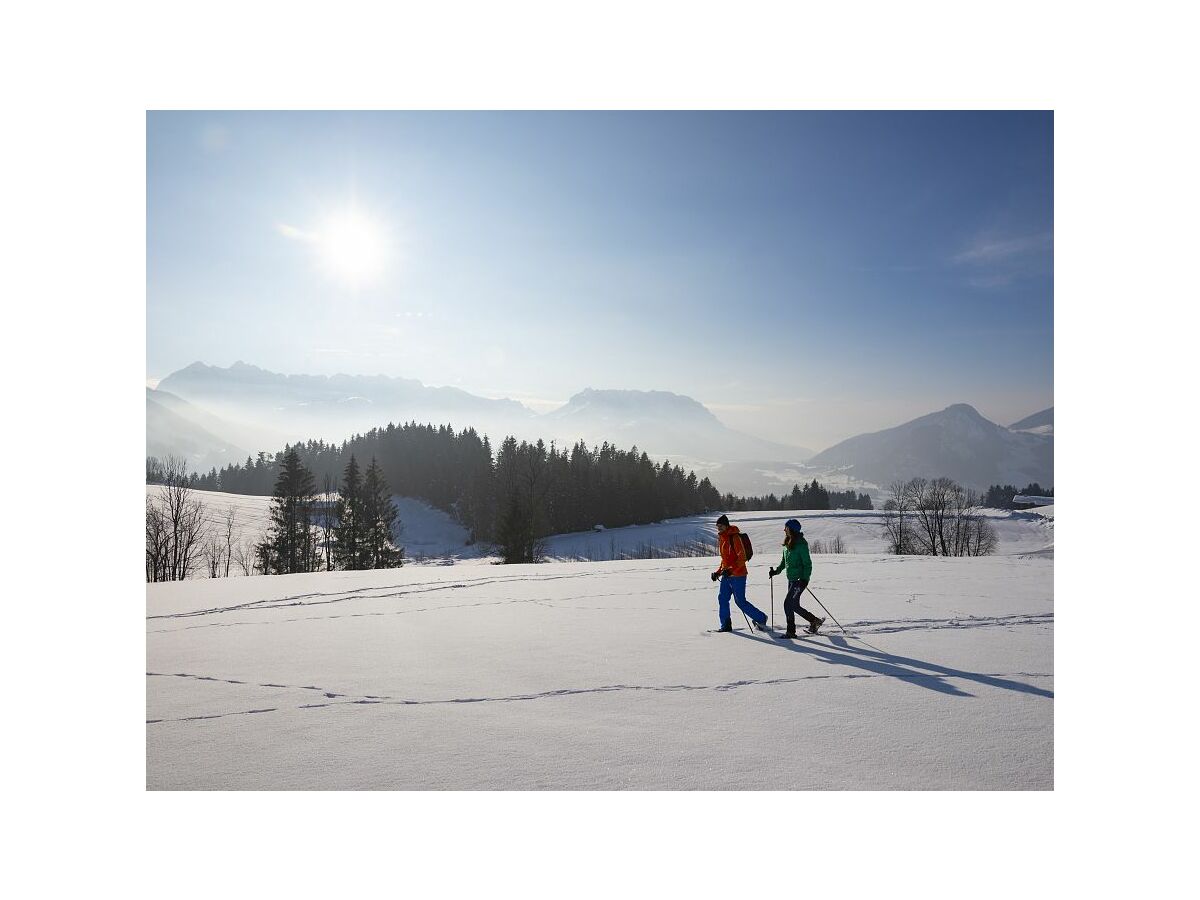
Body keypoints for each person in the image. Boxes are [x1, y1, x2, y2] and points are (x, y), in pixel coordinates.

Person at [711, 514, 770, 632]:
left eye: (721, 526)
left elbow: (742, 557)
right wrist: (718, 572)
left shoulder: (735, 537)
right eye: (718, 527)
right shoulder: (722, 538)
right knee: (722, 599)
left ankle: (761, 618)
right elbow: (725, 560)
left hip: (738, 575)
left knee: (740, 602)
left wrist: (731, 570)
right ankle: (726, 625)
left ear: (726, 526)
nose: (719, 529)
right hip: (727, 575)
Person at [768, 518, 824, 638]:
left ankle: (791, 631)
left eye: (786, 528)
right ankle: (815, 621)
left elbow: (807, 564)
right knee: (794, 605)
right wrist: (775, 572)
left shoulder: (801, 544)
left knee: (787, 604)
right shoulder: (787, 543)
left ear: (792, 529)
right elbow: (784, 562)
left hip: (799, 580)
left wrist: (804, 579)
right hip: (791, 579)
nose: (784, 530)